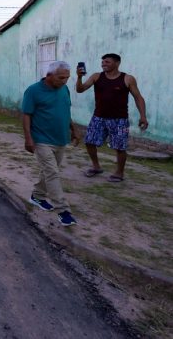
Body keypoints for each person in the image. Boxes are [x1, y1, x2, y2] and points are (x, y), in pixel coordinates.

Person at [22, 61, 80, 227]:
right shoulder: (33, 91)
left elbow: (66, 111)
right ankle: (63, 211)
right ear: (49, 75)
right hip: (41, 139)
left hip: (60, 138)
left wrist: (73, 129)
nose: (64, 81)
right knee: (52, 172)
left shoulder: (64, 89)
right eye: (61, 77)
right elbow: (26, 115)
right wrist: (28, 138)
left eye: (67, 78)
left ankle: (37, 196)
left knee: (49, 171)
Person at [75, 53, 147, 182]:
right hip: (98, 117)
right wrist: (79, 77)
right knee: (89, 142)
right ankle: (96, 167)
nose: (103, 64)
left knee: (120, 147)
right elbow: (80, 89)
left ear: (117, 63)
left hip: (120, 120)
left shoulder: (128, 79)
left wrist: (143, 116)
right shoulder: (96, 76)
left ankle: (119, 173)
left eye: (107, 62)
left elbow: (138, 97)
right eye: (102, 62)